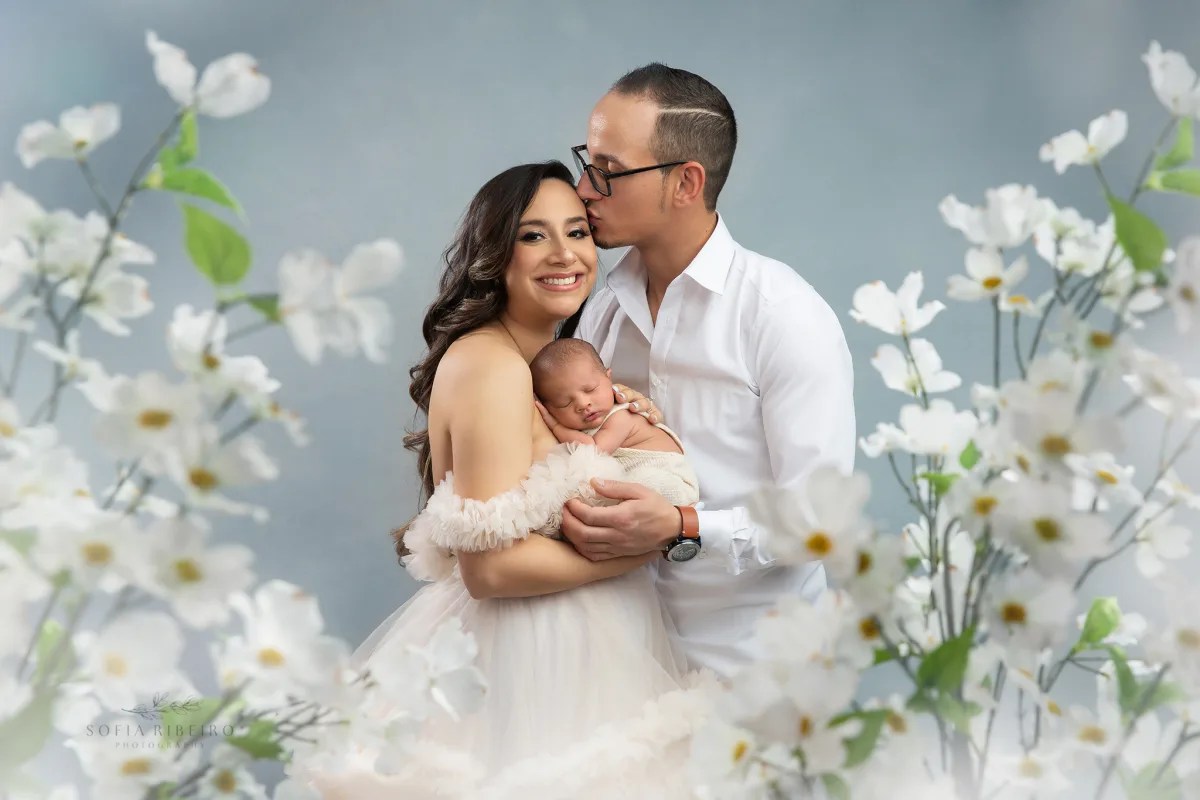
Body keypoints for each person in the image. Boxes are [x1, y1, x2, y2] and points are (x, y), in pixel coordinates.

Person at [305, 162, 711, 800]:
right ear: (494, 253)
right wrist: (644, 546)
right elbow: (488, 571)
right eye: (532, 236)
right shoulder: (493, 365)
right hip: (532, 654)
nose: (564, 254)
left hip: (576, 640)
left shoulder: (533, 364)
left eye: (577, 232)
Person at [565, 64, 857, 680]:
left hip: (759, 678)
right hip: (623, 664)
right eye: (586, 164)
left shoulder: (782, 313)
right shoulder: (601, 311)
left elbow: (820, 517)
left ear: (685, 183)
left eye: (609, 172)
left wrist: (681, 527)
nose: (584, 189)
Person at [529, 337, 700, 524]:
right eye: (565, 402)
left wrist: (555, 426)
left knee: (630, 486)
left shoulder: (622, 416)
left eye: (590, 389)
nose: (583, 404)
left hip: (672, 482)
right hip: (652, 491)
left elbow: (593, 449)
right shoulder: (585, 425)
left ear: (609, 378)